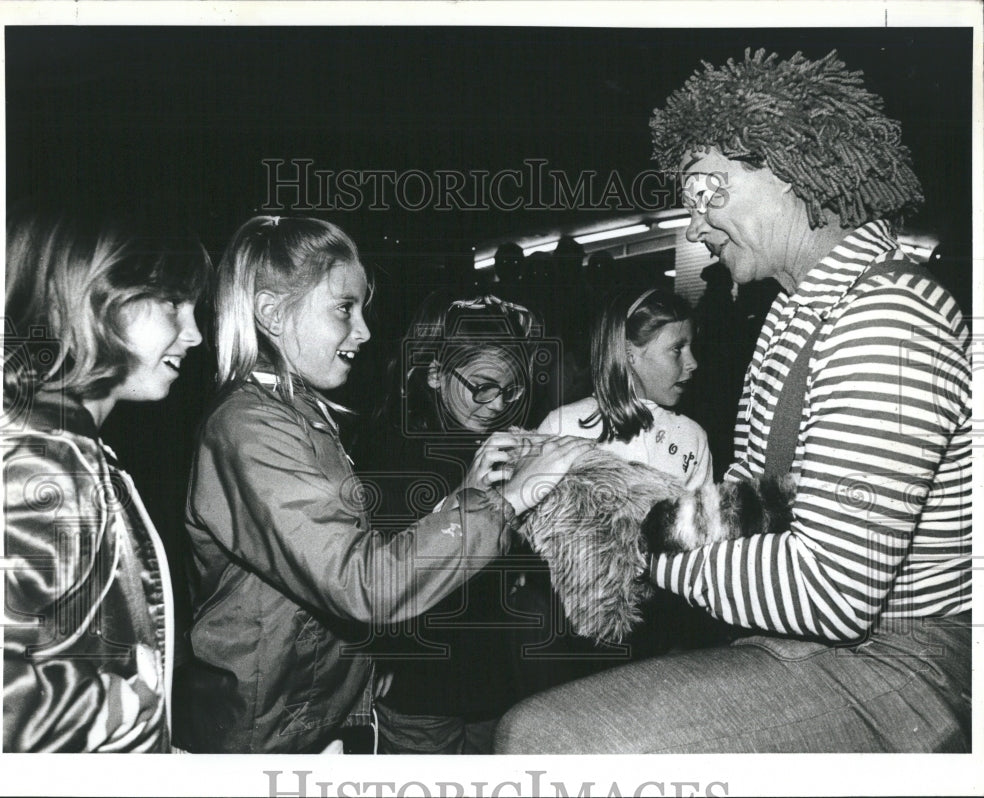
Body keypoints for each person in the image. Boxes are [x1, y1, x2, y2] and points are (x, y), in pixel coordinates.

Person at [495, 48, 971, 753]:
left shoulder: (888, 314)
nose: (693, 227)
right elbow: (757, 506)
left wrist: (623, 533)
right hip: (828, 643)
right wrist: (609, 490)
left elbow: (830, 593)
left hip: (911, 656)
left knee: (545, 739)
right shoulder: (799, 312)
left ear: (797, 166)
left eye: (708, 192)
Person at [177, 216, 589, 754]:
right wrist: (504, 501)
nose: (364, 330)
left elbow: (337, 569)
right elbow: (362, 584)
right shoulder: (251, 430)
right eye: (344, 308)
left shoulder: (296, 414)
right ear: (273, 314)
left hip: (297, 720)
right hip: (258, 736)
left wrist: (369, 675)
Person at [2, 204, 209, 752]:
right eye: (172, 302)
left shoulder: (71, 448)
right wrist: (128, 711)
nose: (194, 334)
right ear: (93, 299)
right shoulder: (41, 460)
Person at [353, 291, 563, 754]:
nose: (497, 404)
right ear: (434, 375)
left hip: (488, 675)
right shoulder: (393, 452)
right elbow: (383, 573)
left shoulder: (493, 443)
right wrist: (465, 494)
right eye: (483, 387)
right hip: (419, 685)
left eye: (511, 391)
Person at [536, 286, 712, 491]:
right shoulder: (563, 427)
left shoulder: (693, 437)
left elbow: (700, 520)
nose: (693, 362)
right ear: (629, 352)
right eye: (677, 349)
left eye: (691, 347)